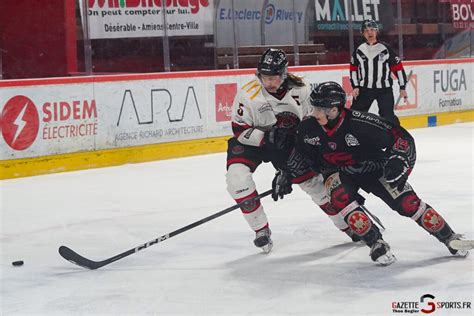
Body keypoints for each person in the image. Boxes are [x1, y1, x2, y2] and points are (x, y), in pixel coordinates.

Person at [274, 81, 470, 265]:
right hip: (338, 173)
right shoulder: (308, 129)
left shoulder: (362, 122)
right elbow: (300, 155)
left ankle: (449, 237)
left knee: (406, 202)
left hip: (374, 168)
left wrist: (399, 160)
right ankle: (376, 243)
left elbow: (401, 138)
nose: (313, 112)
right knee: (339, 196)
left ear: (333, 110)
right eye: (313, 107)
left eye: (318, 109)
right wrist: (286, 173)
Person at [225, 49, 356, 253]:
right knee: (237, 180)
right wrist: (266, 137)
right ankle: (261, 230)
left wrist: (287, 170)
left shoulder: (301, 91)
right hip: (253, 143)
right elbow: (239, 130)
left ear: (284, 73)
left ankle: (349, 225)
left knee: (314, 184)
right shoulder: (247, 93)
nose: (269, 82)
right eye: (264, 77)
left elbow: (309, 128)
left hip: (289, 145)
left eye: (273, 77)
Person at [350, 19, 408, 125]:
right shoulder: (359, 50)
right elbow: (353, 69)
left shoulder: (385, 48)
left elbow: (398, 68)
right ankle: (353, 137)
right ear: (363, 33)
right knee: (355, 115)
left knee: (388, 116)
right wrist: (355, 86)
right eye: (366, 30)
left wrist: (402, 87)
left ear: (377, 32)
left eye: (372, 30)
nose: (370, 32)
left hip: (384, 90)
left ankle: (397, 137)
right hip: (364, 89)